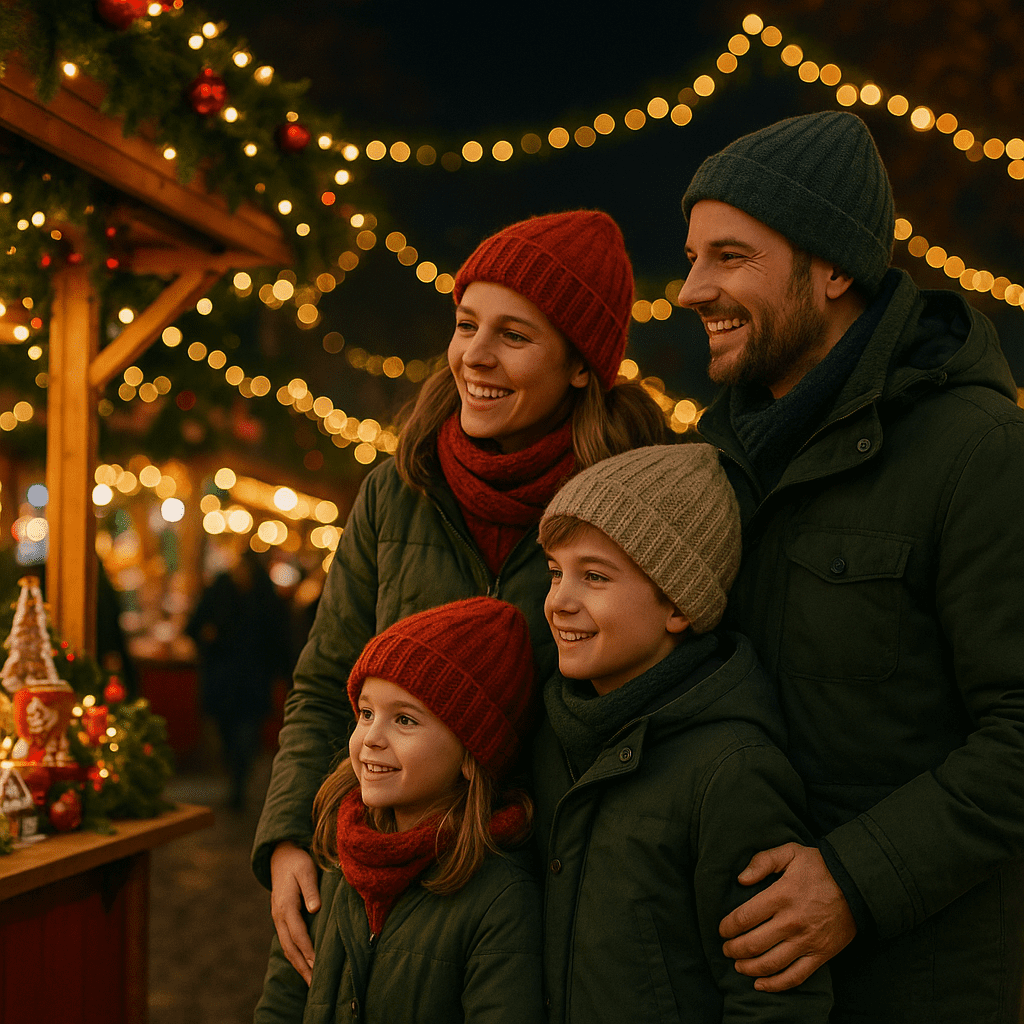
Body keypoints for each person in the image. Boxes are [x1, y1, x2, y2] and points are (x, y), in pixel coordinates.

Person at [253, 209, 668, 983]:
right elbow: (324, 684)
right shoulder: (397, 491)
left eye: (514, 335)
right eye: (467, 323)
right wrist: (286, 840)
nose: (474, 354)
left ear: (581, 366)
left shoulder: (631, 506)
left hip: (549, 899)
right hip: (384, 879)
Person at [679, 109, 1024, 1022]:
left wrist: (853, 882)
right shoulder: (715, 462)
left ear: (833, 268)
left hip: (915, 986)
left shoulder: (979, 451)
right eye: (692, 257)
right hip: (740, 989)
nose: (691, 290)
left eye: (729, 257)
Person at [533, 443, 832, 1022]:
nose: (559, 601)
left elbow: (773, 999)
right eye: (555, 572)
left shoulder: (731, 770)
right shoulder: (549, 736)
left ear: (678, 605)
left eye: (594, 576)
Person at [255, 597, 545, 1023]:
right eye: (366, 712)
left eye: (404, 720)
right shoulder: (330, 855)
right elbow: (281, 1005)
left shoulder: (501, 899)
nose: (371, 737)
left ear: (472, 754)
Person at [186, 548, 290, 809]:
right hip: (225, 681)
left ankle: (239, 785)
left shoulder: (265, 598)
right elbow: (194, 626)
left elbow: (279, 641)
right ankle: (235, 777)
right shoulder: (220, 592)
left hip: (252, 683)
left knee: (246, 736)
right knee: (227, 734)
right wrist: (208, 637)